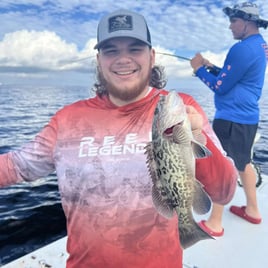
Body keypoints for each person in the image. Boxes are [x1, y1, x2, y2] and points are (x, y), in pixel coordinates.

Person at [0, 9, 237, 268]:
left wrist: (195, 136)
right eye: (111, 50)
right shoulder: (67, 119)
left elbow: (225, 192)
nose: (123, 59)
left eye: (135, 49)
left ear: (152, 56)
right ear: (99, 60)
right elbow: (16, 165)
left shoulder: (184, 107)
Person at [190, 2, 268, 234]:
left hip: (231, 118)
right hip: (248, 117)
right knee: (242, 163)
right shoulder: (260, 46)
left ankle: (215, 222)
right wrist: (210, 66)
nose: (230, 26)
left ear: (247, 22)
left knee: (222, 166)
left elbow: (221, 87)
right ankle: (253, 211)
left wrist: (198, 70)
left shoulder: (241, 49)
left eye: (234, 21)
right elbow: (232, 75)